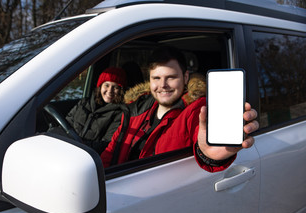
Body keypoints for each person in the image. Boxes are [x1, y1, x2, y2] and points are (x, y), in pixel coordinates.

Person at [101, 46, 259, 172]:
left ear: (185, 77)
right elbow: (110, 153)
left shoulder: (197, 110)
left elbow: (202, 136)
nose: (163, 85)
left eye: (171, 77)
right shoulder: (135, 109)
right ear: (149, 80)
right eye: (156, 78)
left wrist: (210, 156)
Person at [65, 67, 127, 154]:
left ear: (120, 91)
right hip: (66, 149)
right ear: (100, 86)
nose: (110, 91)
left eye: (115, 87)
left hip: (85, 155)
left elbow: (105, 144)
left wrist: (77, 148)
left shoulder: (119, 114)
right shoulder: (84, 102)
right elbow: (66, 124)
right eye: (107, 85)